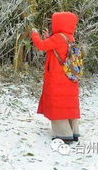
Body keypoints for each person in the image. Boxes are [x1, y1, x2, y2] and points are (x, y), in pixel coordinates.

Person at [30, 11, 80, 143]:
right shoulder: (70, 37)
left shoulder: (58, 38)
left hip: (57, 78)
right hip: (69, 77)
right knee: (68, 104)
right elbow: (54, 47)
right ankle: (73, 131)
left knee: (58, 104)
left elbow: (41, 46)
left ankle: (63, 134)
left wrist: (34, 34)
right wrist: (49, 37)